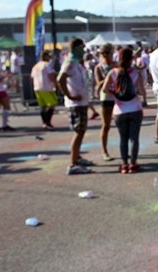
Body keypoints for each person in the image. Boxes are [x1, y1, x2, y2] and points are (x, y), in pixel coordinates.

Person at [102, 47, 145, 174]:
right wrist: (136, 91)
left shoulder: (113, 72)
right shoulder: (136, 73)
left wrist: (116, 94)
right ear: (131, 59)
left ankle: (124, 164)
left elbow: (104, 89)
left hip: (119, 110)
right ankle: (133, 163)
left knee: (123, 138)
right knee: (134, 138)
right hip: (135, 109)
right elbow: (142, 91)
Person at [57, 38, 94, 175]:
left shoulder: (77, 62)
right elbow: (60, 79)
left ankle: (77, 157)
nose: (84, 50)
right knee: (79, 131)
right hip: (76, 103)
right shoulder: (70, 62)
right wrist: (69, 95)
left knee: (81, 130)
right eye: (82, 47)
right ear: (77, 47)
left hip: (81, 101)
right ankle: (72, 164)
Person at [94, 43, 116, 160]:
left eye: (108, 53)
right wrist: (109, 75)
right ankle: (104, 152)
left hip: (117, 98)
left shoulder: (116, 65)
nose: (105, 56)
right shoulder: (99, 67)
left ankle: (124, 150)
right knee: (106, 125)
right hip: (106, 98)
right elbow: (98, 84)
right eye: (103, 53)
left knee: (122, 125)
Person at [31, 50, 58, 130]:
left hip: (37, 88)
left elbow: (32, 77)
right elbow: (51, 75)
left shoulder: (35, 66)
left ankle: (44, 122)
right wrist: (55, 84)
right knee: (52, 104)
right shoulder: (47, 65)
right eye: (48, 56)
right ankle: (47, 122)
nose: (50, 58)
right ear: (45, 56)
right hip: (46, 87)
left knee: (43, 106)